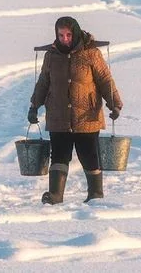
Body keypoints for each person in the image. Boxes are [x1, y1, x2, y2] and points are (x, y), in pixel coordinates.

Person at [27, 16, 123, 205]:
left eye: (69, 35)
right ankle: (55, 194)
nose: (65, 39)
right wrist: (34, 106)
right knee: (59, 154)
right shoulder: (51, 56)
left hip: (86, 115)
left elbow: (105, 81)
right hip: (58, 115)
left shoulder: (91, 54)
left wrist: (115, 105)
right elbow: (43, 83)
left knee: (88, 154)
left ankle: (95, 194)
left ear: (76, 33)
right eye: (61, 35)